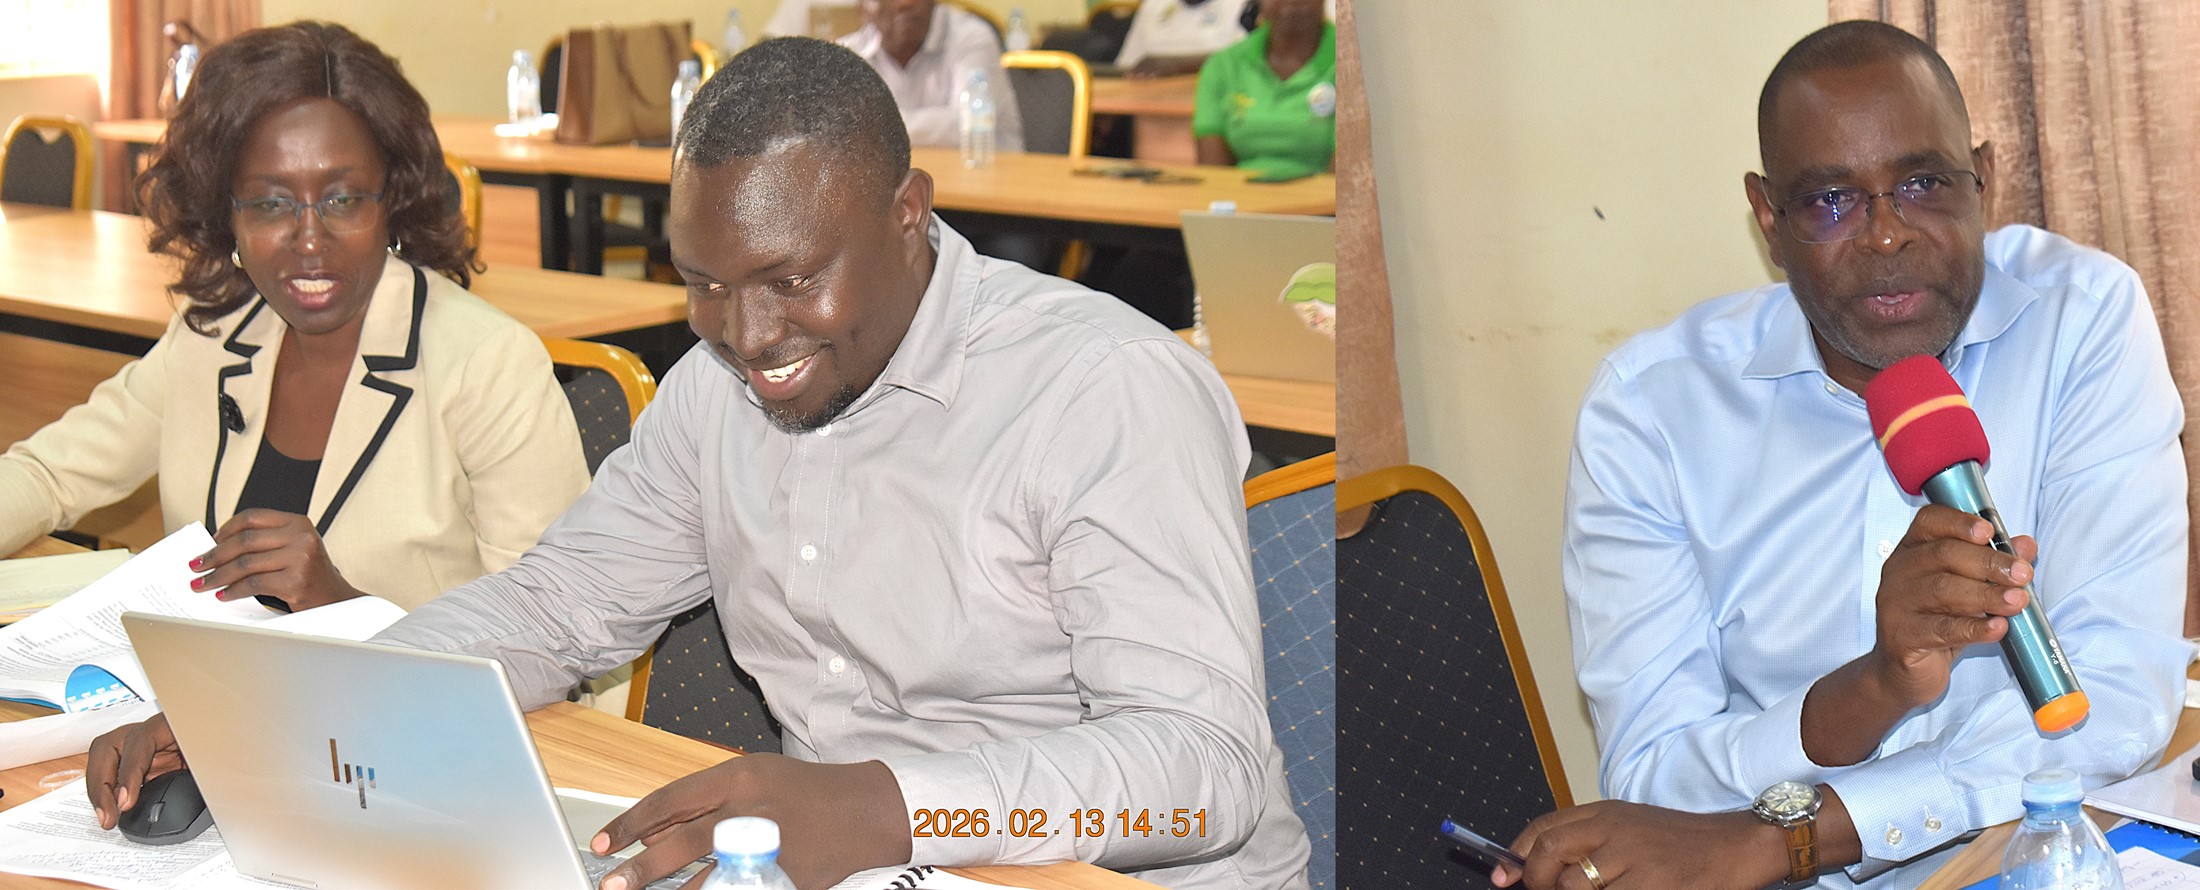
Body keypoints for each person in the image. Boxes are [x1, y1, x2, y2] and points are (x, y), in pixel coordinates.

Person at [87, 37, 1310, 890]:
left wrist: (882, 801)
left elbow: (1203, 775)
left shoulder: (1100, 391)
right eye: (706, 286)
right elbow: (554, 604)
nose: (749, 335)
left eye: (792, 279)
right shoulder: (712, 395)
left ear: (910, 213)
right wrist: (271, 712)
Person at [1491, 21, 2190, 890]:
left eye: (1925, 183)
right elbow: (1654, 775)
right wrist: (1876, 687)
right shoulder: (1652, 410)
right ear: (1766, 218)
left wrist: (1780, 837)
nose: (1887, 235)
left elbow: (2117, 701)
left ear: (1988, 181)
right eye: (1831, 200)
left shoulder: (2080, 321)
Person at [0, 21, 589, 612]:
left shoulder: (488, 366)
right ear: (225, 215)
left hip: (411, 702)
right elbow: (48, 475)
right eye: (271, 204)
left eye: (342, 199)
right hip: (225, 693)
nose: (309, 240)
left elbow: (553, 630)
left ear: (394, 201)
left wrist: (345, 606)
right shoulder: (212, 337)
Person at [840, 0, 1024, 153]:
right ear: (863, 9)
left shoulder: (971, 37)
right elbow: (839, 131)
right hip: (901, 189)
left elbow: (967, 123)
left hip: (987, 183)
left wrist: (876, 128)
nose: (905, 3)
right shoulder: (849, 53)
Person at [1192, 0, 1335, 181]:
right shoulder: (1223, 66)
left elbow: (1347, 183)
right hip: (1239, 203)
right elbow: (1214, 175)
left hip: (1323, 206)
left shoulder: (1351, 63)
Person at [1114, 0, 1255, 78]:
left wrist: (1178, 65)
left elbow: (1248, 63)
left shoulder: (1247, 7)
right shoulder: (1153, 5)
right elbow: (1126, 67)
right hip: (1150, 109)